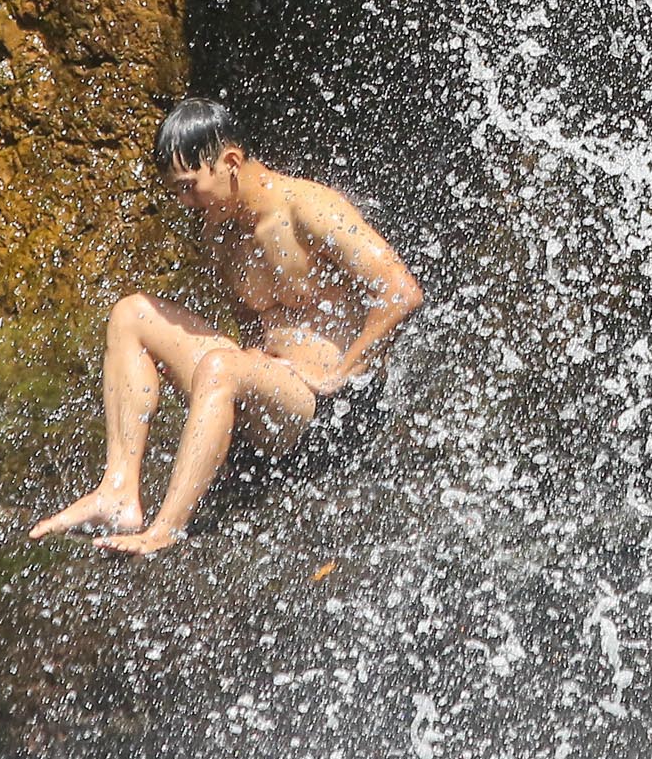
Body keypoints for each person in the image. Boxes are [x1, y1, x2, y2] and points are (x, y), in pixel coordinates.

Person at [29, 98, 425, 556]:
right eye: (177, 191)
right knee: (130, 314)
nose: (185, 202)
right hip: (266, 391)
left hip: (322, 411)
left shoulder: (309, 208)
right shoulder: (219, 232)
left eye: (190, 187)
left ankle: (165, 530)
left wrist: (345, 371)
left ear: (231, 162)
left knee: (221, 367)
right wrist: (253, 361)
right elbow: (251, 325)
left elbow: (401, 291)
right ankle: (118, 492)